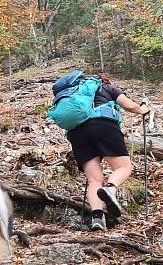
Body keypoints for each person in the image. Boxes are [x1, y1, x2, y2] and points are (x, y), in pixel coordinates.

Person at [64, 76, 151, 231]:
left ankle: (97, 218)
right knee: (123, 167)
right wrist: (142, 109)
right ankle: (110, 188)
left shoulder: (74, 94)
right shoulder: (108, 88)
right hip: (103, 125)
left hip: (76, 133)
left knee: (94, 179)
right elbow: (129, 105)